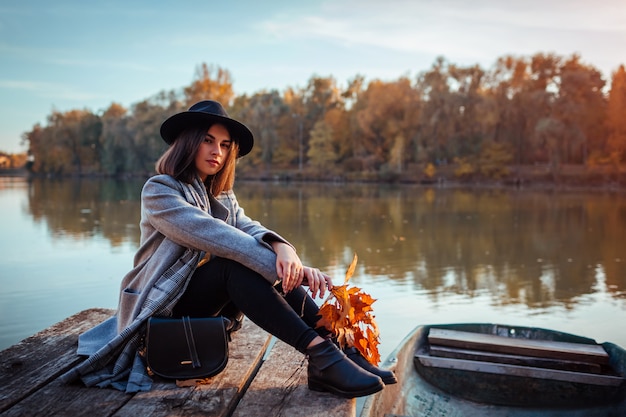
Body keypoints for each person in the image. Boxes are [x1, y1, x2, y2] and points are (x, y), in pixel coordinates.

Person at [60, 100, 396, 398]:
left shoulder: (219, 195)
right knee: (233, 266)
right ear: (187, 142)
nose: (217, 151)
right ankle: (321, 354)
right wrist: (296, 273)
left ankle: (337, 352)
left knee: (253, 261)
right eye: (207, 140)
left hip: (198, 305)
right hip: (162, 306)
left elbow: (248, 227)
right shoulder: (160, 191)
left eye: (224, 144)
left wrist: (284, 249)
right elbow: (218, 236)